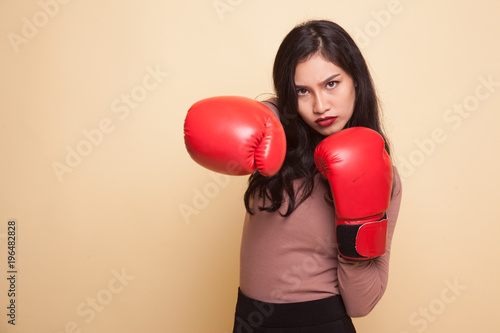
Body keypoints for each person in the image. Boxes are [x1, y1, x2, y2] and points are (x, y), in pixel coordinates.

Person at [184, 19, 402, 333]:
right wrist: (269, 116)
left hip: (320, 324)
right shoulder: (274, 139)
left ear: (356, 80)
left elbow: (361, 303)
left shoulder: (382, 175)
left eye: (331, 83)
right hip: (249, 321)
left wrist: (357, 218)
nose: (320, 105)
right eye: (302, 91)